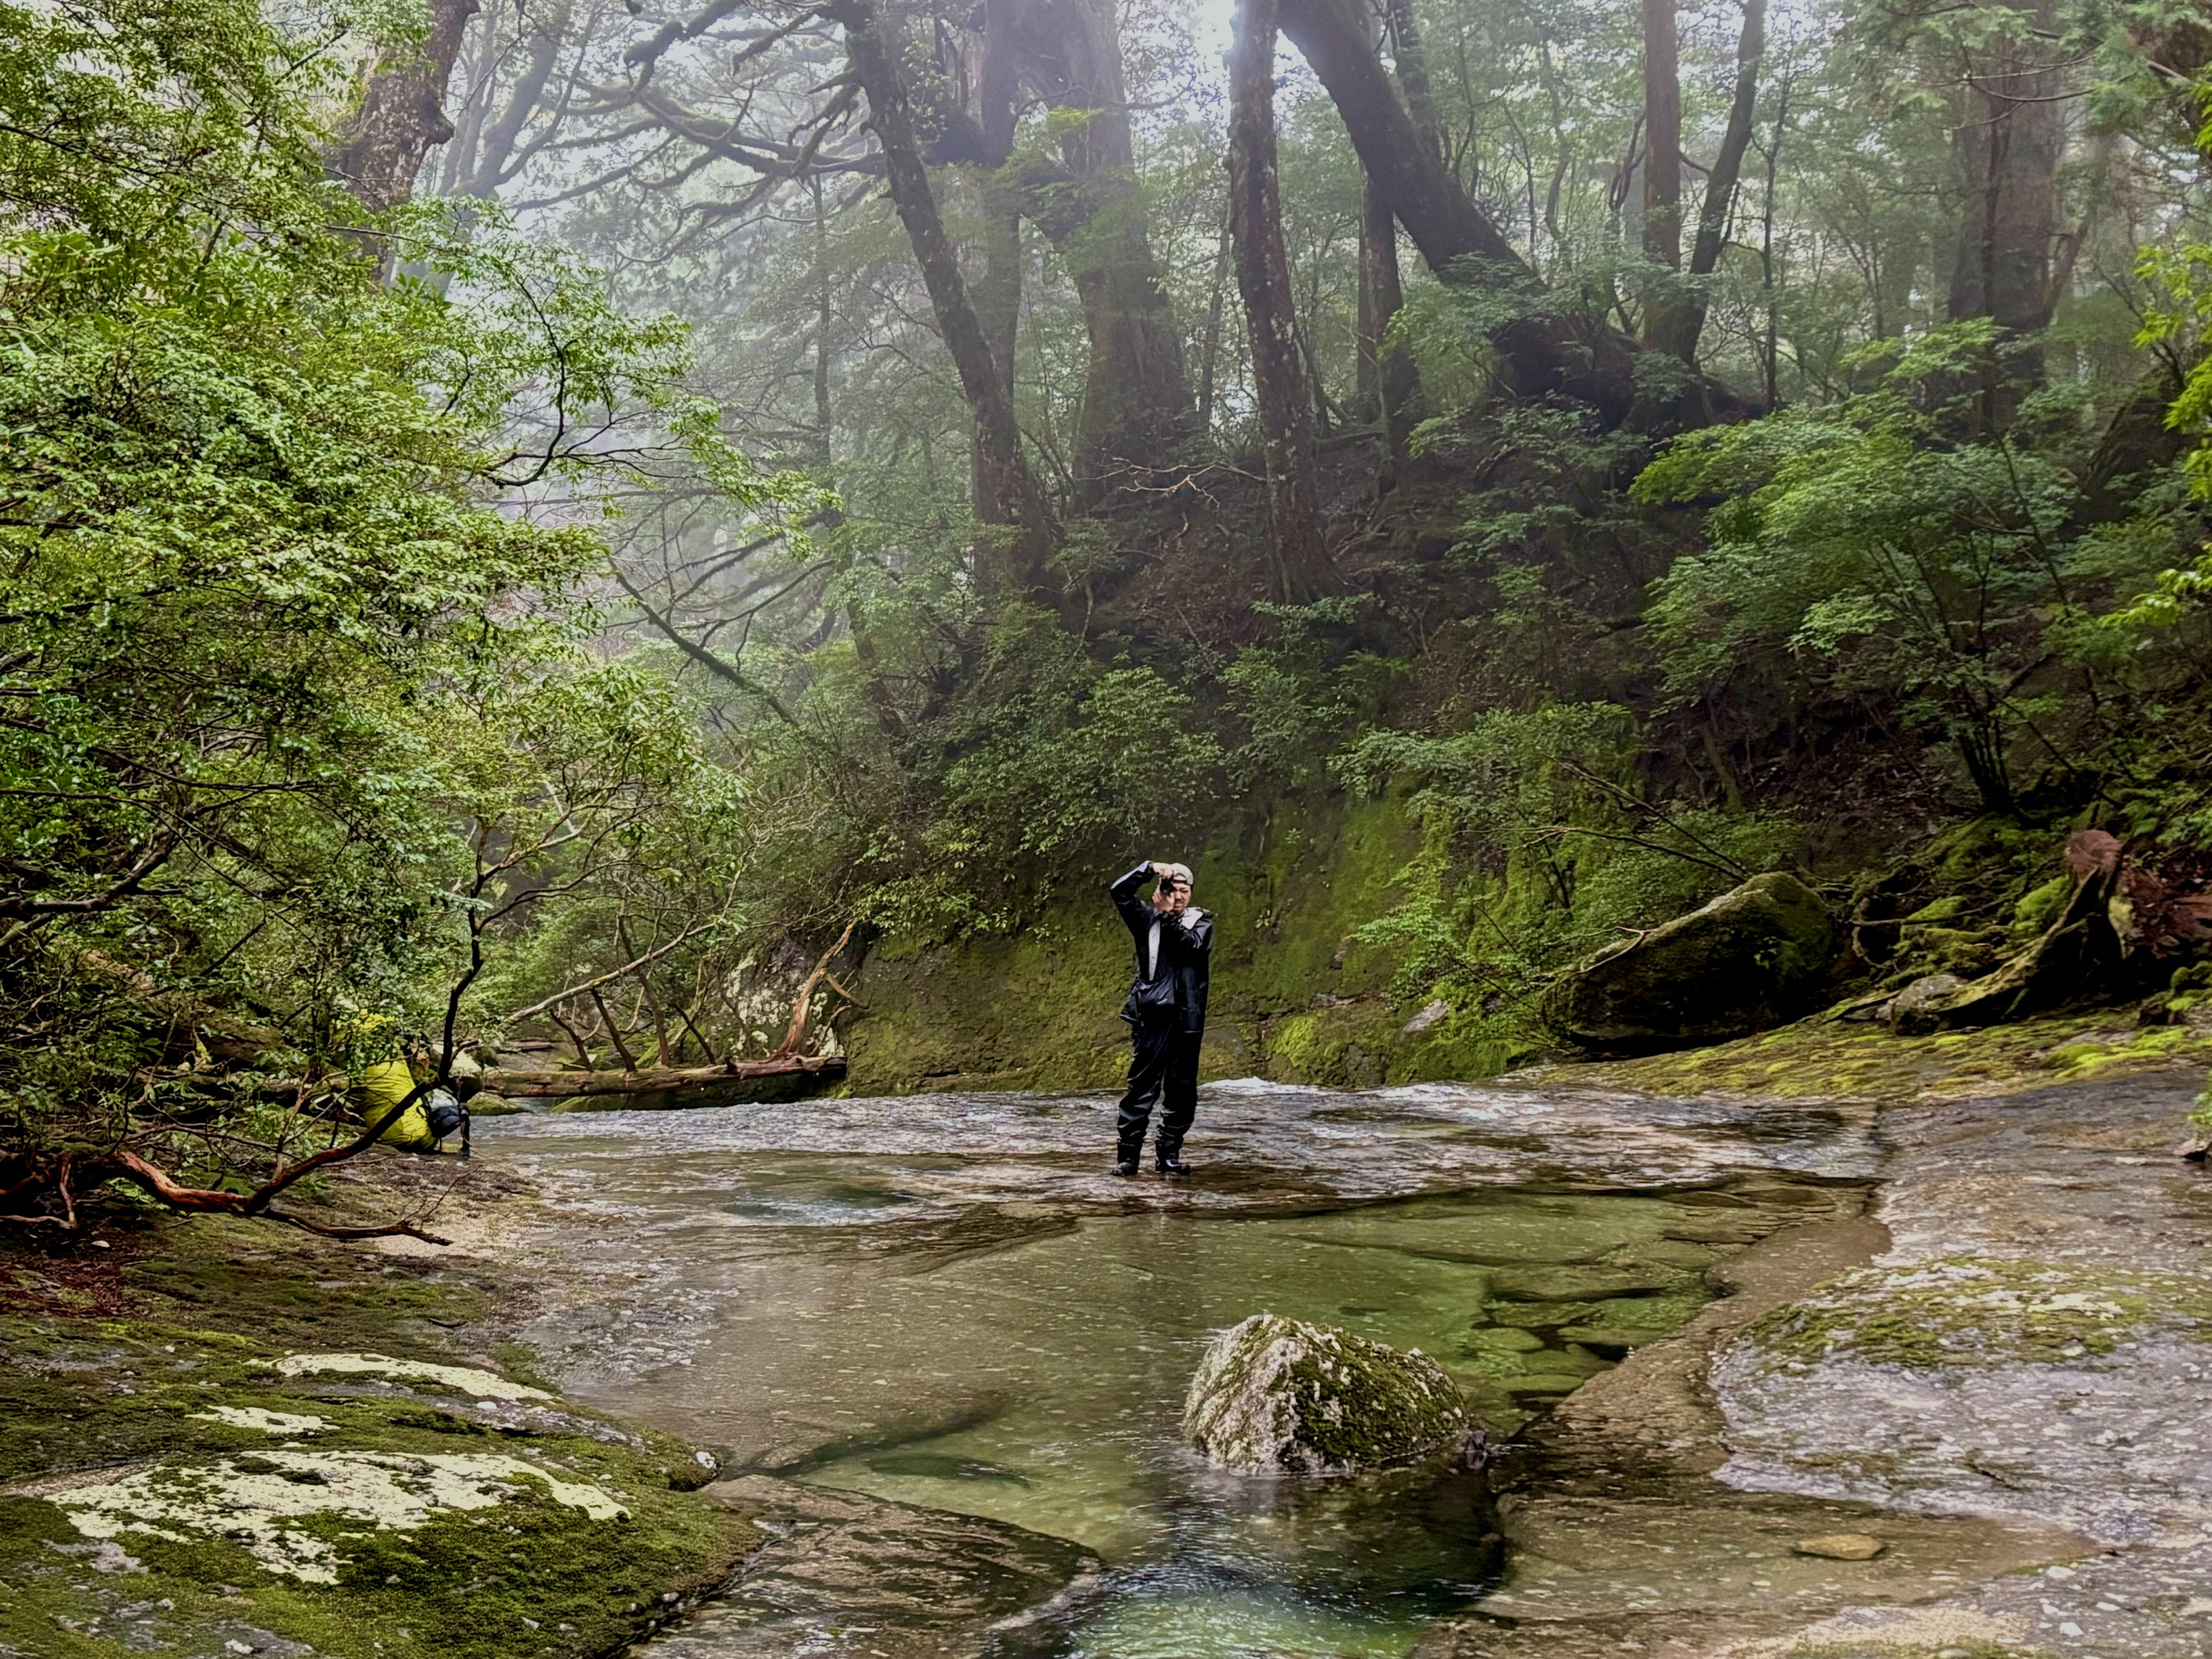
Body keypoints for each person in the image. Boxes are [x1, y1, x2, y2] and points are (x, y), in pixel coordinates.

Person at [1107, 858, 1213, 1177]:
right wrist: (1151, 868)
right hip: (1152, 1017)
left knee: (1182, 1092)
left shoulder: (1202, 923)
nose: (1178, 896)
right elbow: (1119, 892)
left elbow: (1192, 948)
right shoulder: (1145, 919)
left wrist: (1168, 917)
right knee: (1141, 1089)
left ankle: (1169, 1155)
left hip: (1188, 1020)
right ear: (1160, 891)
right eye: (1172, 889)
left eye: (1184, 890)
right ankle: (1128, 1158)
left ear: (1191, 893)